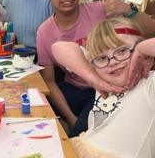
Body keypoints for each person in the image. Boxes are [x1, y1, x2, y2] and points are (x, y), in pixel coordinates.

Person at [36, 0, 155, 136]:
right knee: (41, 104)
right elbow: (50, 81)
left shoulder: (103, 10)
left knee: (83, 135)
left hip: (110, 88)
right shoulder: (44, 31)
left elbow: (151, 29)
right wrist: (71, 120)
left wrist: (129, 11)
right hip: (75, 87)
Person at [52, 18, 155, 158]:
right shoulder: (101, 79)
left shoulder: (149, 83)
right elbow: (59, 47)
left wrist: (143, 48)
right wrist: (92, 78)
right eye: (101, 58)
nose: (112, 62)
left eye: (122, 50)